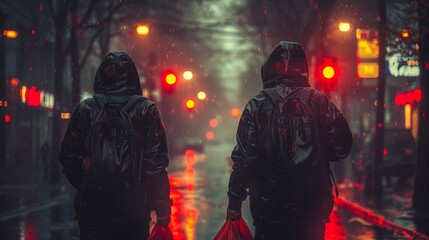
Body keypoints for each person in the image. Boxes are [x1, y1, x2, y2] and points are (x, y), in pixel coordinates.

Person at [226, 41, 353, 240]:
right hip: (312, 206)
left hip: (268, 207)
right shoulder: (319, 102)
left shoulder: (257, 105)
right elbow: (341, 147)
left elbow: (245, 159)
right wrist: (317, 152)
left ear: (268, 70)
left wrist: (235, 202)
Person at [59, 52, 172, 240]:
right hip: (133, 209)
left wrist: (87, 182)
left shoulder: (86, 109)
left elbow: (68, 156)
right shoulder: (146, 110)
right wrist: (162, 209)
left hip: (93, 210)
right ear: (133, 77)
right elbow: (156, 165)